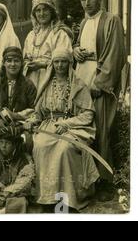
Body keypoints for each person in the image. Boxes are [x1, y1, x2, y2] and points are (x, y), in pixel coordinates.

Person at [24, 48, 99, 211]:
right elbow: (39, 113)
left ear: (69, 63)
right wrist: (32, 121)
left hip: (72, 127)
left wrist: (67, 124)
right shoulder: (46, 85)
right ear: (52, 63)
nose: (59, 65)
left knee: (65, 148)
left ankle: (68, 199)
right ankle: (47, 198)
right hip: (49, 126)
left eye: (63, 61)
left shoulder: (78, 85)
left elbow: (88, 114)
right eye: (56, 62)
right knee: (41, 146)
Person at [73, 0, 126, 201]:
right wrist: (75, 50)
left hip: (99, 81)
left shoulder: (111, 20)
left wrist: (100, 83)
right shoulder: (84, 21)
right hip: (82, 78)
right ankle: (85, 179)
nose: (87, 3)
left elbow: (116, 55)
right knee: (83, 127)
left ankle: (105, 181)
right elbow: (78, 45)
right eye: (83, 0)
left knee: (101, 129)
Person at [0, 46, 36, 162]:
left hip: (19, 125)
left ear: (22, 63)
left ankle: (20, 173)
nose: (12, 64)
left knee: (26, 142)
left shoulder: (28, 84)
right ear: (3, 63)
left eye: (16, 61)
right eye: (9, 61)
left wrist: (16, 116)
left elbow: (34, 109)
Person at [23, 0, 73, 90]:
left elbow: (66, 60)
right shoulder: (31, 35)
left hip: (52, 79)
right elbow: (25, 57)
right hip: (31, 79)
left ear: (52, 12)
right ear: (34, 14)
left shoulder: (60, 34)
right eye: (38, 10)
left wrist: (42, 65)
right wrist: (27, 63)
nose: (41, 14)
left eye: (45, 10)